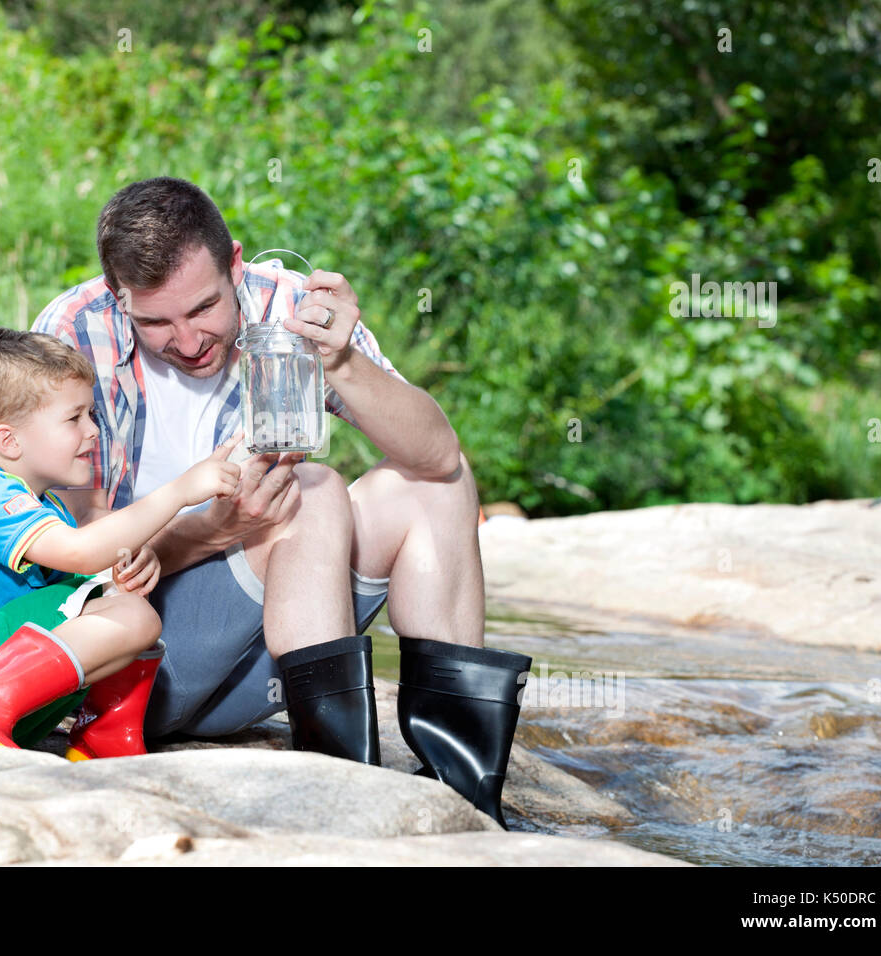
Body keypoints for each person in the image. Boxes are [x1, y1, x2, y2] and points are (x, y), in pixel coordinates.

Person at [32, 177, 533, 828]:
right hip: (138, 669)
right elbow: (84, 563)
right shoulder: (74, 333)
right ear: (116, 296)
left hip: (274, 662)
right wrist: (213, 531)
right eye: (154, 322)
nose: (186, 341)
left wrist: (345, 362)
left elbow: (438, 455)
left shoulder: (292, 305)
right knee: (316, 487)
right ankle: (340, 792)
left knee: (434, 483)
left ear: (236, 263)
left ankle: (463, 794)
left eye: (205, 308)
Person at [0, 328, 241, 755]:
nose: (93, 431)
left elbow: (83, 569)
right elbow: (79, 551)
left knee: (126, 606)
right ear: (8, 440)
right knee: (129, 617)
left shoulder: (45, 505)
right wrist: (179, 492)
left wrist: (120, 569)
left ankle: (102, 733)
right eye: (74, 418)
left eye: (90, 415)